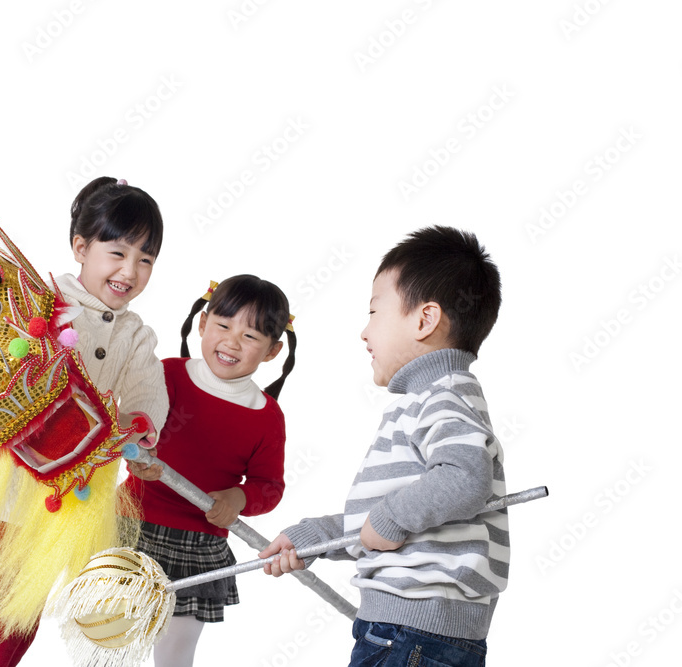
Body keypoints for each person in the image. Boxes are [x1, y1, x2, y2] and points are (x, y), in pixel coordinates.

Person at [261, 226, 506, 667]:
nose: (363, 331)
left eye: (374, 311)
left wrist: (390, 519)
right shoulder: (428, 399)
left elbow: (465, 476)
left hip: (414, 634)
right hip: (412, 634)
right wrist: (316, 538)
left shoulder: (442, 394)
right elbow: (386, 519)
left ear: (424, 320)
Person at [0, 176, 170, 667]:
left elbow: (145, 389)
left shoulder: (137, 335)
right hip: (7, 486)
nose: (130, 270)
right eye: (117, 252)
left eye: (146, 259)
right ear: (81, 246)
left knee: (34, 622)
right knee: (10, 618)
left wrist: (139, 424)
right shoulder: (41, 300)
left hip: (68, 498)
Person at [125, 274, 295, 667]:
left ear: (272, 351)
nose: (233, 341)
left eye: (251, 336)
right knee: (112, 629)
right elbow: (130, 428)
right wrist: (134, 452)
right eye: (223, 325)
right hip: (131, 520)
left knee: (175, 648)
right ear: (203, 324)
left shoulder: (266, 417)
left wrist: (239, 497)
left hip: (199, 545)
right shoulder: (167, 375)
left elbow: (269, 485)